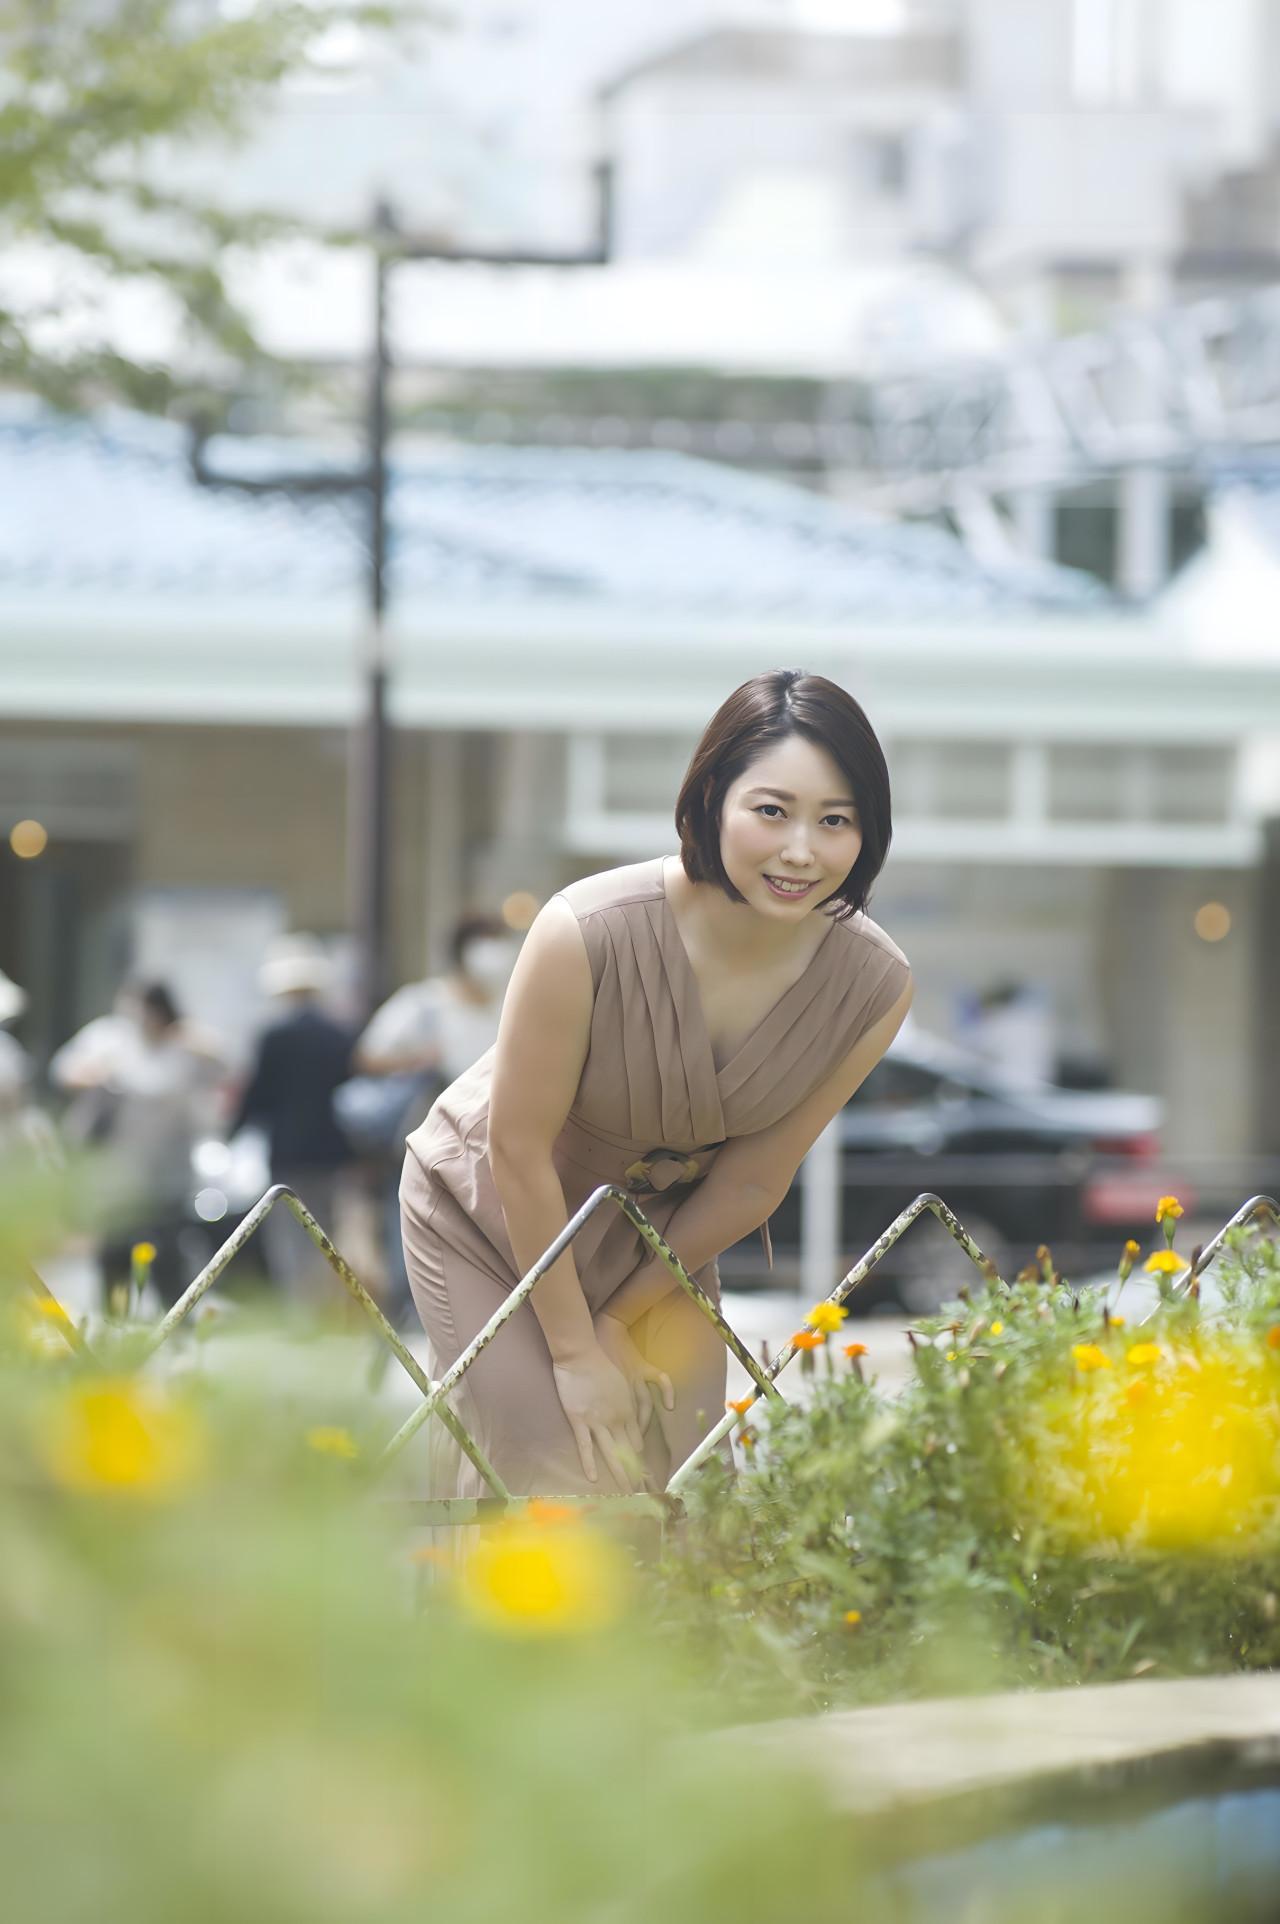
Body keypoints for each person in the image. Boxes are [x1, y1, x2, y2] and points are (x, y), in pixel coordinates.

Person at [400, 669, 913, 1502]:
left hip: (658, 1241)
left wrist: (616, 1316)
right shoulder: (587, 929)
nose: (800, 851)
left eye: (836, 821)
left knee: (677, 1489)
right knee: (555, 1471)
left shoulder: (874, 984)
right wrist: (575, 1351)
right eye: (772, 810)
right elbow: (517, 1151)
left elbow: (752, 1178)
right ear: (711, 797)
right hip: (495, 1211)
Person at [353, 913, 520, 1321]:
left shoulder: (513, 1000)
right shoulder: (425, 1002)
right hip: (430, 1137)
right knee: (419, 1222)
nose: (495, 954)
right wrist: (421, 1059)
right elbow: (368, 1057)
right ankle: (412, 1310)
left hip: (499, 1138)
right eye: (486, 941)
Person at [50, 981, 226, 1307]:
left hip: (167, 1176)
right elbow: (64, 1071)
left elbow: (222, 1065)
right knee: (114, 1259)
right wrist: (98, 1076)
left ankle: (174, 1332)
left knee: (167, 1258)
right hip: (115, 1175)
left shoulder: (183, 1045)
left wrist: (186, 1033)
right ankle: (114, 1331)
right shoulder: (109, 1038)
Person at [228, 935, 356, 1303]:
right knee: (325, 1232)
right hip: (332, 1149)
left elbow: (258, 1094)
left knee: (288, 1231)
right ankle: (324, 1306)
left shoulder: (274, 1035)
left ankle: (298, 1309)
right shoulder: (338, 1034)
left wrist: (232, 1132)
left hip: (286, 1149)